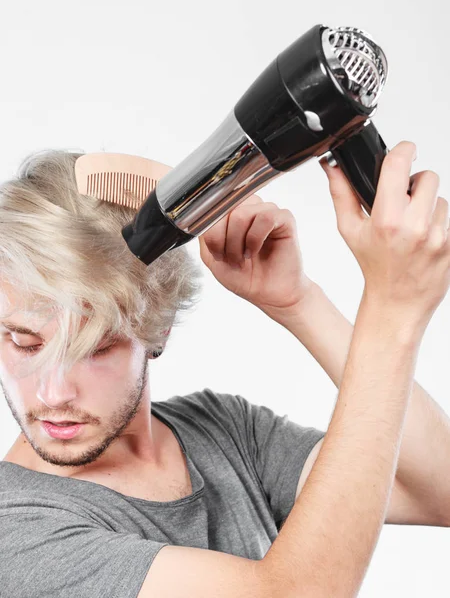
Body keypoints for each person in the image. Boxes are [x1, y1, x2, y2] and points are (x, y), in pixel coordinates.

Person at [0, 141, 448, 597]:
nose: (52, 394)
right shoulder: (13, 534)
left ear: (159, 330)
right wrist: (392, 315)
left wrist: (299, 303)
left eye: (94, 348)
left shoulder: (222, 430)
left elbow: (441, 489)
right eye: (23, 342)